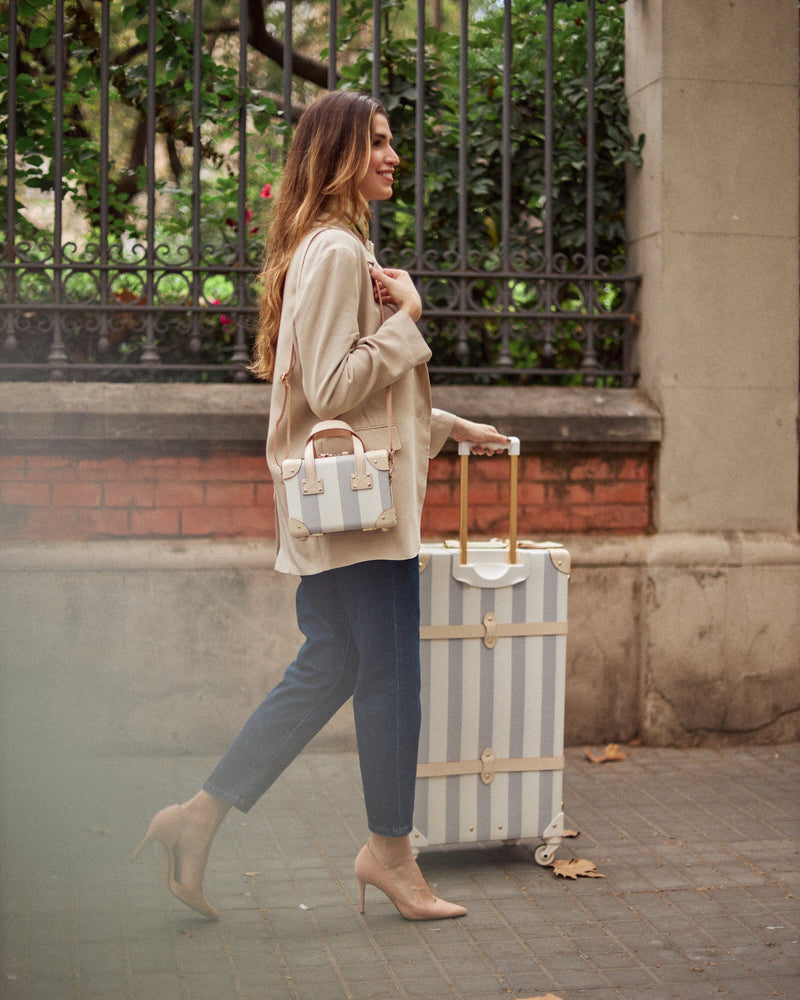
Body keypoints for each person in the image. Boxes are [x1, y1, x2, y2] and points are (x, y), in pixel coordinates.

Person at [131, 90, 508, 922]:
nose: (391, 156)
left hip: (339, 504)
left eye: (389, 142)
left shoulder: (325, 245)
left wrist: (446, 423)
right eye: (374, 142)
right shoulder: (338, 251)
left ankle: (198, 816)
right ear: (336, 151)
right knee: (391, 677)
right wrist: (410, 318)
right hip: (362, 515)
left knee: (331, 665)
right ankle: (391, 855)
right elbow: (338, 386)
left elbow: (337, 397)